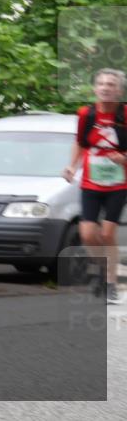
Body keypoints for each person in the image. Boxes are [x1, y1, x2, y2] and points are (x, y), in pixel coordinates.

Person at [62, 68, 127, 305]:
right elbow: (79, 143)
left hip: (118, 184)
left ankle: (111, 283)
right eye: (101, 84)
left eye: (111, 84)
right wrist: (71, 166)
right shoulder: (86, 115)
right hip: (91, 182)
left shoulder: (125, 115)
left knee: (108, 233)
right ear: (95, 88)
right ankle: (104, 270)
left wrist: (124, 158)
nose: (105, 88)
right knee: (88, 234)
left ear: (119, 90)